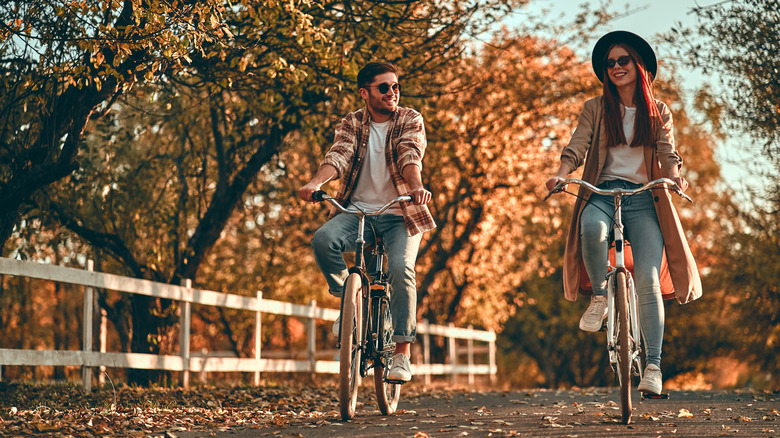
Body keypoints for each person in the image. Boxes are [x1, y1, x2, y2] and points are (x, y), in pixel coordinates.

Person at [545, 31, 702, 395]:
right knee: (592, 230)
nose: (615, 67)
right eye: (610, 63)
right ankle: (600, 297)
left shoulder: (658, 111)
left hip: (646, 198)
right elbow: (577, 146)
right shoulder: (595, 108)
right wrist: (562, 174)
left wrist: (676, 178)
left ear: (638, 66)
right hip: (603, 191)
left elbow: (668, 152)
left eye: (622, 61)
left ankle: (653, 366)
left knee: (647, 280)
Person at [299, 61, 435, 382]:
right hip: (356, 212)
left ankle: (402, 354)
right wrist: (316, 183)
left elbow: (409, 153)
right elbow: (339, 155)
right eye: (384, 87)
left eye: (396, 87)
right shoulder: (353, 123)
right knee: (322, 240)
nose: (392, 93)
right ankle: (349, 307)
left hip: (400, 213)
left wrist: (416, 187)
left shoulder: (409, 119)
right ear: (365, 93)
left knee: (400, 269)